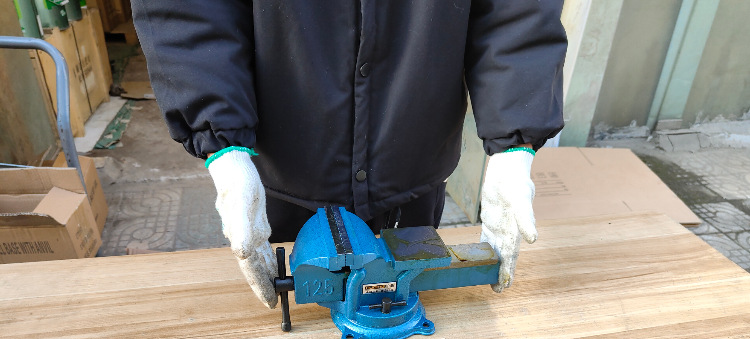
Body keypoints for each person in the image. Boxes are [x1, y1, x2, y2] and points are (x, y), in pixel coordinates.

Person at [131, 1, 567, 309]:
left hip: (413, 168)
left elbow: (518, 11)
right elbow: (189, 10)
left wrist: (515, 141)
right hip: (284, 173)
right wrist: (223, 146)